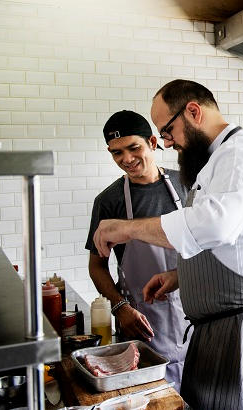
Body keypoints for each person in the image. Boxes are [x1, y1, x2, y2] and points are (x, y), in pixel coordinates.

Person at [92, 80, 243, 410]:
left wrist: (129, 229)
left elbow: (215, 226)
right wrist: (181, 275)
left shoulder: (241, 154)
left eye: (167, 130)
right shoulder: (218, 160)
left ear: (193, 112)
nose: (166, 142)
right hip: (227, 325)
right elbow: (231, 242)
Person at [85, 110, 189, 387]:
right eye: (116, 153)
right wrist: (120, 308)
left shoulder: (188, 183)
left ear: (153, 143)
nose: (126, 160)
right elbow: (97, 266)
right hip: (143, 319)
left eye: (134, 148)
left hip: (195, 311)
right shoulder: (109, 201)